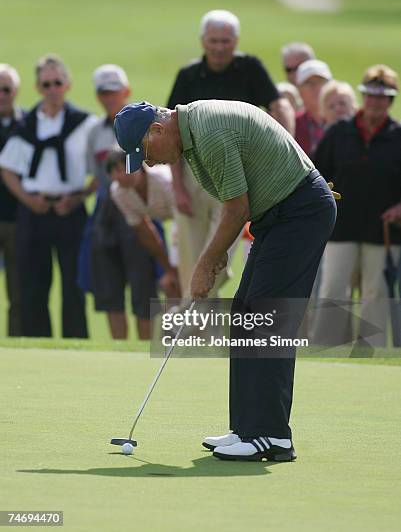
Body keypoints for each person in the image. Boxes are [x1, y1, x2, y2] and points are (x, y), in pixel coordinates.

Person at [114, 99, 337, 462]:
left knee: (266, 322)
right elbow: (237, 207)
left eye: (145, 153)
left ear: (156, 131)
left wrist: (205, 264)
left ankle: (272, 435)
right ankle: (248, 428)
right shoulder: (193, 134)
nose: (149, 163)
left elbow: (237, 208)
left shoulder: (208, 131)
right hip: (279, 218)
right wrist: (214, 255)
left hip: (300, 213)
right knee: (246, 316)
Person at [167, 9, 294, 296]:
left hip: (236, 176)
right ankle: (200, 333)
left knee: (217, 260)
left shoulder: (250, 68)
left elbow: (279, 106)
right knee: (191, 260)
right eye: (214, 41)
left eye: (225, 41)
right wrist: (177, 187)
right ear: (203, 41)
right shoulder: (188, 75)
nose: (219, 47)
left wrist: (286, 147)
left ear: (235, 42)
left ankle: (188, 319)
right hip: (193, 174)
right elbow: (172, 131)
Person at [0, 54, 97, 338]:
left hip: (71, 210)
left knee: (73, 286)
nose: (53, 89)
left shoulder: (84, 124)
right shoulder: (28, 124)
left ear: (67, 85)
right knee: (32, 285)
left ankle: (75, 341)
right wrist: (27, 199)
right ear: (38, 88)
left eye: (58, 82)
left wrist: (80, 197)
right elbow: (7, 168)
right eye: (47, 84)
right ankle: (36, 342)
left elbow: (102, 169)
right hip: (35, 210)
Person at [314, 65, 401, 347]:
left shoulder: (398, 136)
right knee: (333, 290)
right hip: (340, 227)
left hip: (383, 231)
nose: (375, 102)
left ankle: (370, 353)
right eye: (370, 95)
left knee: (375, 293)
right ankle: (326, 349)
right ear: (363, 97)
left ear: (390, 101)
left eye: (383, 97)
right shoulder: (340, 132)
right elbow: (315, 173)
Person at [85, 65, 171, 341]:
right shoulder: (94, 130)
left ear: (126, 91)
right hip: (109, 208)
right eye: (103, 92)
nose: (109, 96)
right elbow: (96, 178)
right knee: (110, 286)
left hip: (141, 201)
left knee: (143, 282)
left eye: (113, 91)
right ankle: (119, 347)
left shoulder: (140, 122)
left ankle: (144, 345)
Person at [106, 149, 180, 299]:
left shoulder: (163, 179)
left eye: (123, 169)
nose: (119, 176)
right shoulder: (118, 192)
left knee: (189, 276)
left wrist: (177, 265)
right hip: (177, 222)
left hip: (190, 217)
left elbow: (183, 221)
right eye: (114, 172)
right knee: (171, 283)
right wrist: (168, 269)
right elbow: (145, 232)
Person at [0, 63, 24, 336]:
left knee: (18, 292)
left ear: (15, 91)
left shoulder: (27, 123)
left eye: (6, 89)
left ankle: (16, 342)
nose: (1, 95)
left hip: (17, 219)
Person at [295, 59, 333, 158]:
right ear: (299, 90)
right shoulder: (294, 124)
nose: (317, 88)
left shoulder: (344, 120)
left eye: (321, 82)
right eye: (309, 83)